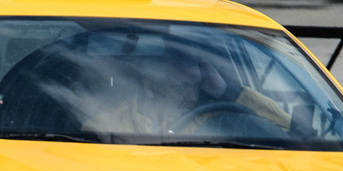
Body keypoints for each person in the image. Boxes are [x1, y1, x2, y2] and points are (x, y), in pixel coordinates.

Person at [82, 52, 292, 137]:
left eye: (196, 86)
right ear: (150, 87)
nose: (192, 97)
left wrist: (225, 91)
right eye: (180, 88)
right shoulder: (106, 125)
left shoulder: (217, 120)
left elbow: (287, 132)